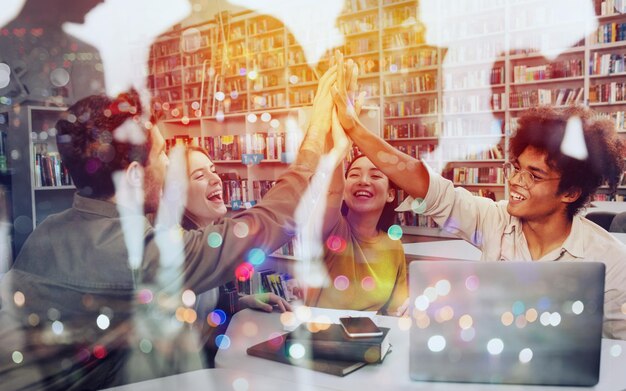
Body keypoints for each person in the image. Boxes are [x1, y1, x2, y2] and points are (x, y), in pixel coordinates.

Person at [0, 60, 339, 389]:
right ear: (133, 176)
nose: (168, 166)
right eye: (162, 154)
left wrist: (232, 305)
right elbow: (266, 223)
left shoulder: (47, 230)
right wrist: (317, 130)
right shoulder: (135, 254)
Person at [330, 52, 626, 340]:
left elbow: (620, 349)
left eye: (534, 176)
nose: (514, 182)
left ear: (571, 192)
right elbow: (428, 186)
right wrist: (354, 127)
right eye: (517, 169)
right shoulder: (494, 220)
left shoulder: (611, 260)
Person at [179, 145, 291, 366]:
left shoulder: (211, 238)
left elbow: (209, 309)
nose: (216, 179)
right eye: (200, 175)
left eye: (213, 170)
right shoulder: (184, 250)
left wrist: (244, 302)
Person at [305, 152, 408, 315]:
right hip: (323, 336)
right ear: (343, 191)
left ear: (390, 194)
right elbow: (332, 190)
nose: (363, 181)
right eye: (354, 175)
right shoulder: (332, 229)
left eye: (375, 176)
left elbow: (396, 311)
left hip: (373, 337)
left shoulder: (394, 245)